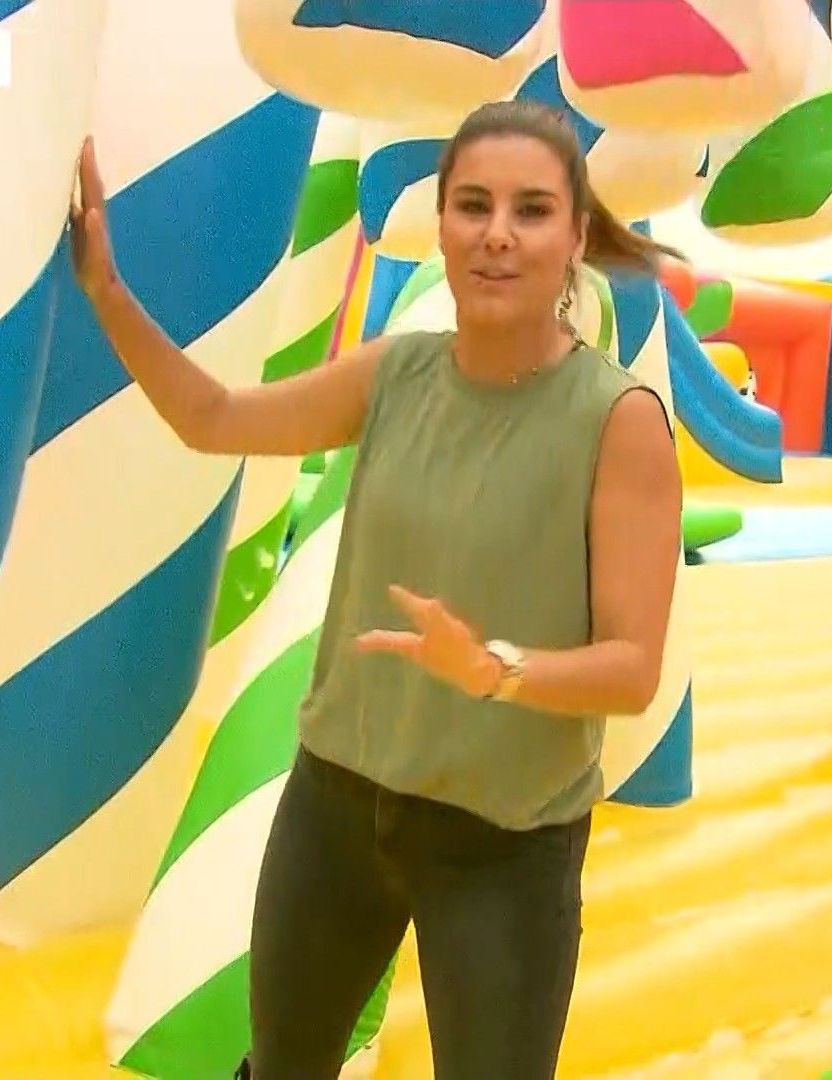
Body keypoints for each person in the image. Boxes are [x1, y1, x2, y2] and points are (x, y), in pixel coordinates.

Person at [69, 99, 685, 1080]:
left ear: (575, 236)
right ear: (440, 226)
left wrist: (493, 670)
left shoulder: (618, 421)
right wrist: (106, 290)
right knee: (284, 1065)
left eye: (531, 210)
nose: (497, 233)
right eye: (472, 205)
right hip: (337, 808)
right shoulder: (397, 373)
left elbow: (632, 667)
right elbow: (213, 417)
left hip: (504, 841)